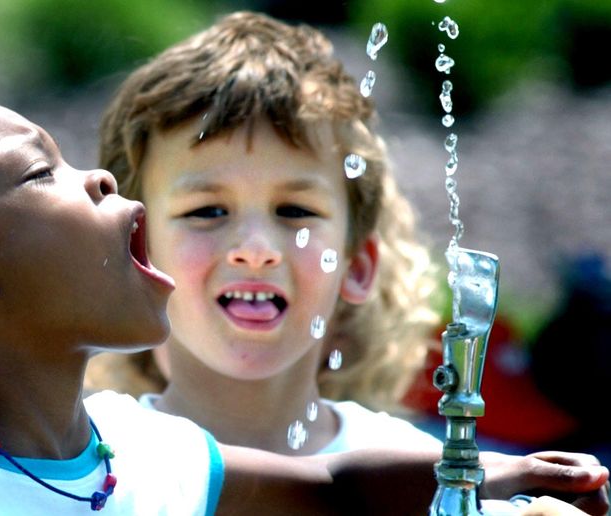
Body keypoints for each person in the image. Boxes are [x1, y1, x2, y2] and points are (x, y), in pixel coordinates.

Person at [0, 89, 607, 516]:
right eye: (44, 172)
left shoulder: (147, 452)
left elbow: (334, 487)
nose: (102, 176)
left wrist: (492, 473)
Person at [91, 10, 610, 511]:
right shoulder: (93, 464)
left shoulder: (425, 476)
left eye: (295, 210)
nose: (256, 247)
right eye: (207, 210)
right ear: (134, 252)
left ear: (356, 266)